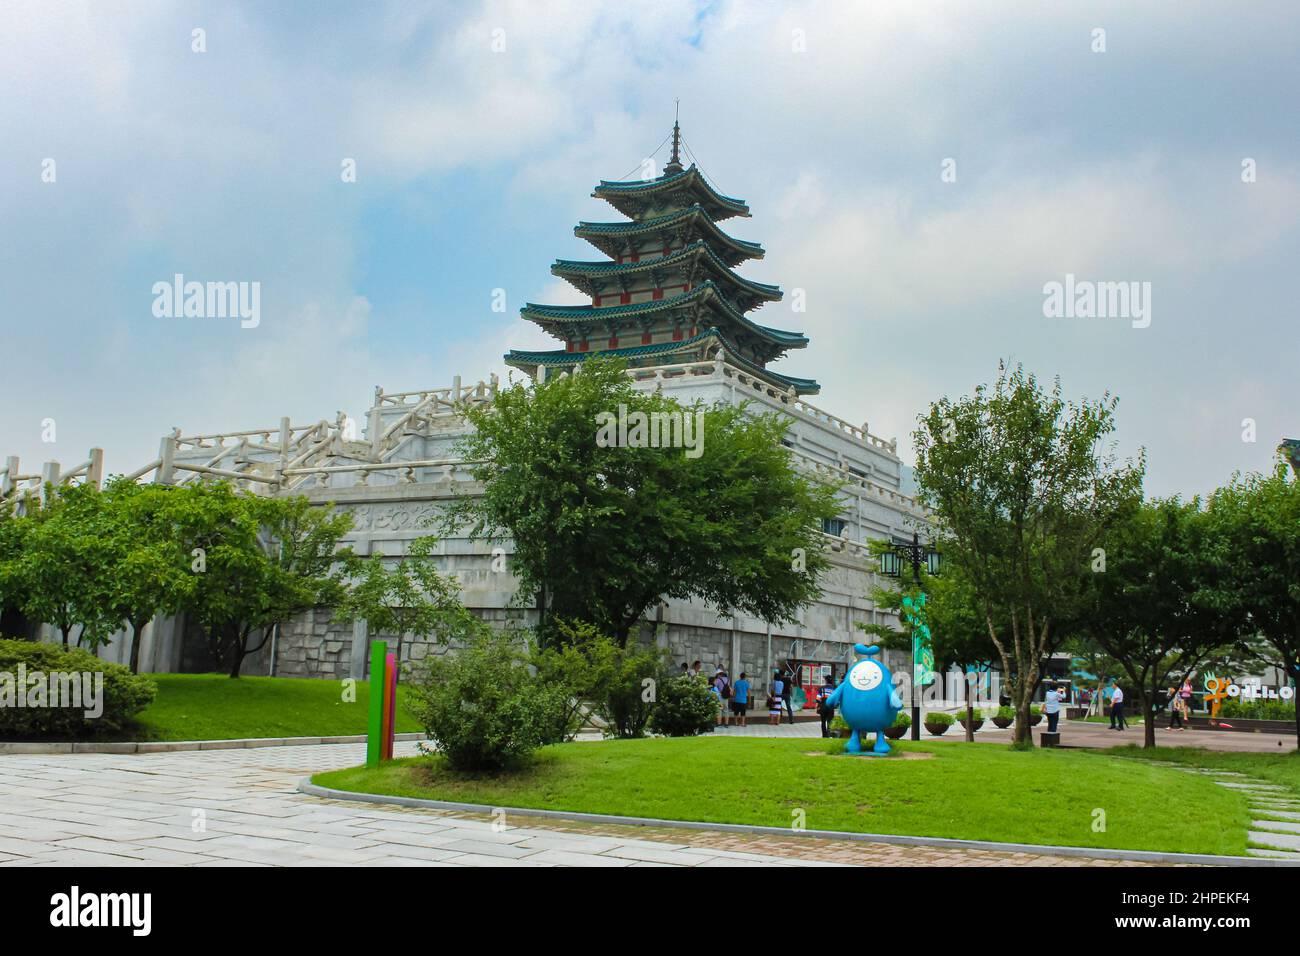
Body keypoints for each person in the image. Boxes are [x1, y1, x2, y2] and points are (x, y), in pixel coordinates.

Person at [816, 673, 837, 738]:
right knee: (830, 722)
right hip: (830, 707)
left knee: (823, 722)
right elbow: (836, 699)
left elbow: (818, 698)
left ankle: (824, 735)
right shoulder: (834, 689)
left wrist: (818, 705)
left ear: (826, 681)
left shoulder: (821, 688)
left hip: (822, 707)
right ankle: (828, 734)